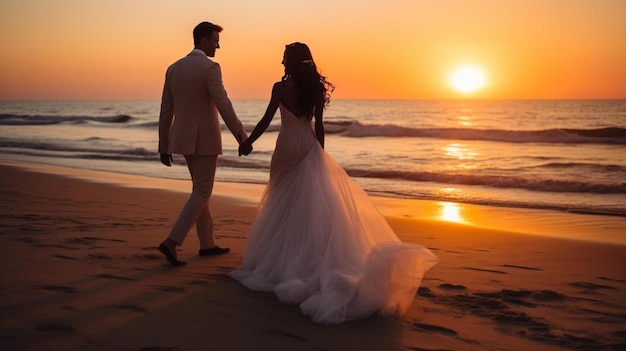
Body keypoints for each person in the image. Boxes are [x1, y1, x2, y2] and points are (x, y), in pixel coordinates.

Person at [230, 42, 438, 324]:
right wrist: (321, 155)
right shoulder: (314, 88)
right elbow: (318, 125)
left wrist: (247, 143)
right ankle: (301, 255)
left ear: (290, 61)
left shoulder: (280, 88)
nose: (282, 62)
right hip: (309, 148)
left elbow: (267, 120)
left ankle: (279, 259)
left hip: (287, 149)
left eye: (284, 58)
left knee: (281, 201)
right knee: (308, 206)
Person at [157, 21, 249, 266]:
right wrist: (242, 136)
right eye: (215, 40)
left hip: (182, 139)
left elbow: (166, 109)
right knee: (202, 191)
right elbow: (223, 103)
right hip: (205, 139)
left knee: (199, 190)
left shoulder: (173, 68)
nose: (218, 46)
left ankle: (207, 244)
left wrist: (163, 143)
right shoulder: (210, 68)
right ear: (204, 40)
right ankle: (172, 242)